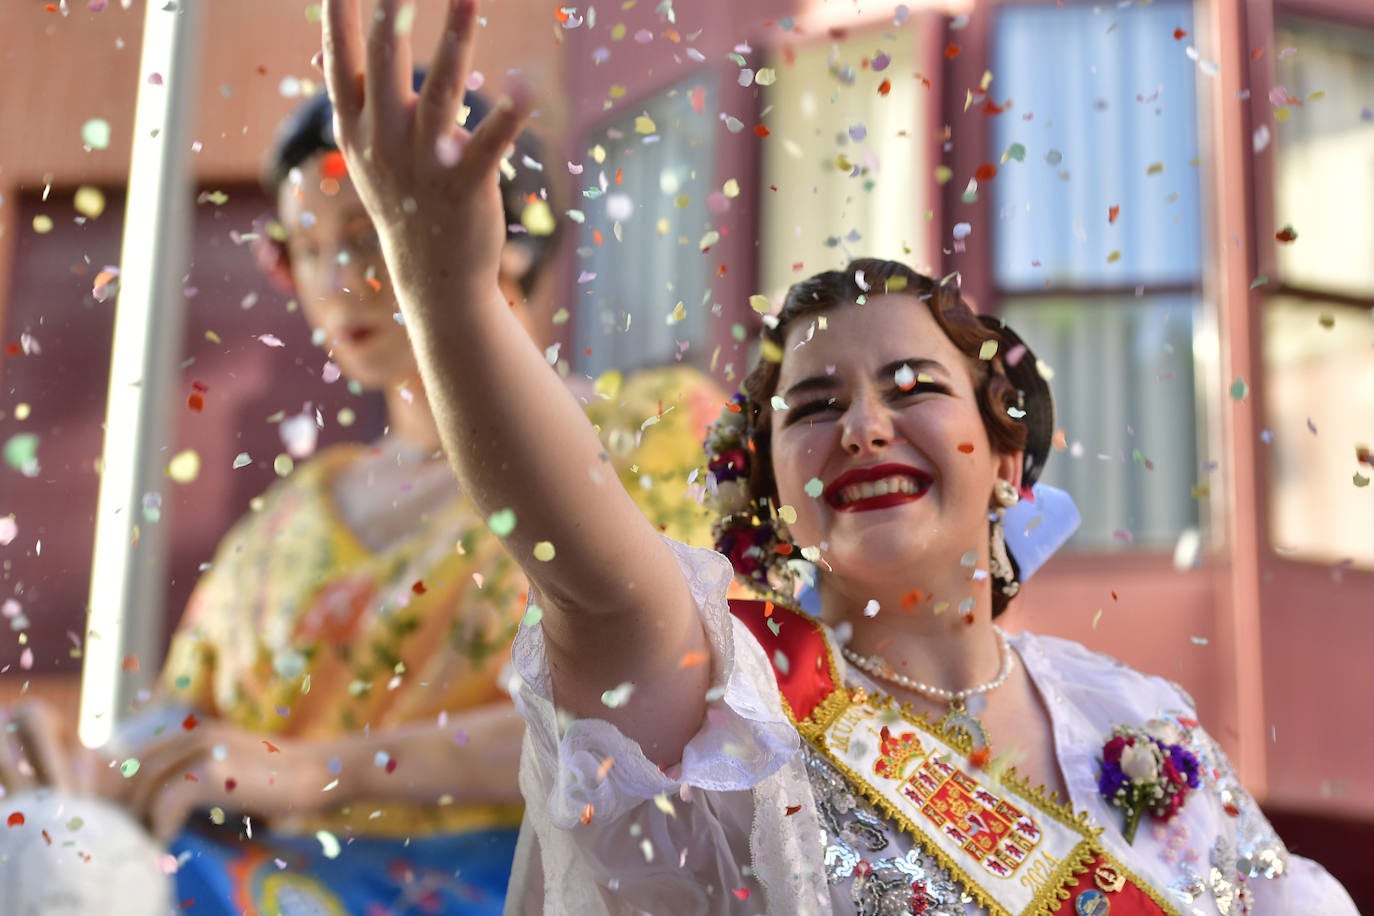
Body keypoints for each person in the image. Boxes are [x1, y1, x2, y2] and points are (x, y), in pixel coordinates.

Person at [315, 2, 1361, 914]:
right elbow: (588, 577)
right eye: (815, 405)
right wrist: (447, 294)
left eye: (914, 389)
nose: (863, 425)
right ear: (774, 497)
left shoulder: (1136, 717)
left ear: (1005, 459)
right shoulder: (735, 702)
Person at [0, 76, 721, 915]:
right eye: (304, 245)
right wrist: (86, 766)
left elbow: (675, 706)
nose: (336, 277)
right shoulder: (295, 514)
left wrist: (320, 771)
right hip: (238, 878)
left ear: (507, 233)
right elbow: (186, 727)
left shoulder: (652, 432)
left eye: (372, 234)